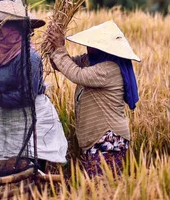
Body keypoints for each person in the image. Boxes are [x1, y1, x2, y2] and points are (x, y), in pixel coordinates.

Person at [0, 0, 68, 169]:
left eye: (5, 28)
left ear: (18, 30)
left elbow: (27, 96)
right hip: (7, 121)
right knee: (9, 168)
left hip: (33, 120)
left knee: (31, 169)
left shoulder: (30, 57)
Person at [47, 20, 140, 177]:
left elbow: (77, 74)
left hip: (108, 139)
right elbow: (62, 64)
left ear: (104, 47)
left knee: (103, 189)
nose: (88, 48)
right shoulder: (90, 60)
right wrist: (52, 47)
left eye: (92, 44)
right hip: (96, 138)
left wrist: (60, 48)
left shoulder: (110, 68)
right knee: (96, 188)